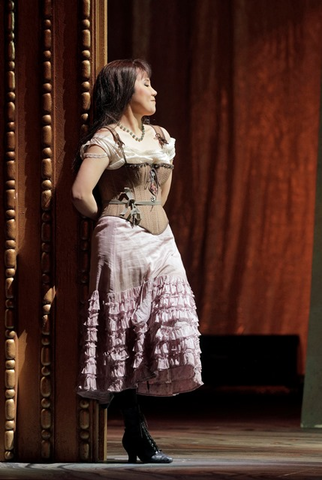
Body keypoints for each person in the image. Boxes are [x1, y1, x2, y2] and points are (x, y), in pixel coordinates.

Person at [72, 59, 203, 464]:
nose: (154, 91)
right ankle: (135, 428)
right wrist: (112, 216)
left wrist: (147, 215)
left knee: (166, 319)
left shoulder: (162, 138)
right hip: (120, 238)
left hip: (160, 237)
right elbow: (81, 193)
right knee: (125, 327)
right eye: (147, 83)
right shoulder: (107, 139)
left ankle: (137, 423)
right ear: (127, 90)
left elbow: (161, 194)